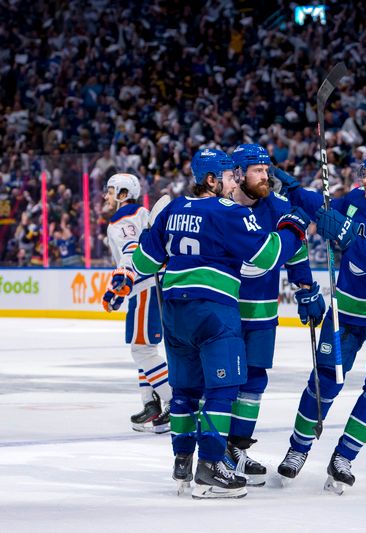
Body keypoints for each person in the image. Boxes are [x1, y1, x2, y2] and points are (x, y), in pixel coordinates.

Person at [131, 148, 311, 499]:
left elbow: (143, 261)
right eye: (229, 176)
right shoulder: (228, 211)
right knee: (222, 390)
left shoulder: (170, 208)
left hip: (174, 311)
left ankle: (182, 461)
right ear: (211, 180)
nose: (235, 182)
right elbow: (268, 255)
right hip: (214, 311)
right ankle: (211, 468)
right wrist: (292, 228)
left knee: (184, 391)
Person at [273, 149, 366, 493]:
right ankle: (298, 449)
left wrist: (349, 235)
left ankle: (344, 456)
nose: (364, 180)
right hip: (347, 310)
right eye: (364, 173)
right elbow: (324, 210)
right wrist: (295, 189)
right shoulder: (357, 199)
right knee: (325, 381)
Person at [223, 144, 325, 486]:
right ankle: (211, 451)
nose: (266, 176)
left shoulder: (279, 206)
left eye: (267, 170)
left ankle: (236, 448)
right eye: (257, 170)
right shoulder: (220, 208)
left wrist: (306, 287)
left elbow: (295, 250)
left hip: (262, 312)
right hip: (222, 309)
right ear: (237, 173)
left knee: (254, 381)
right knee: (221, 382)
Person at [101, 172, 171, 433]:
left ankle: (175, 403)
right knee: (145, 348)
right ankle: (150, 403)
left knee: (142, 350)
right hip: (149, 285)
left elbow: (131, 253)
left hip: (144, 287)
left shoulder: (122, 219)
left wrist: (118, 287)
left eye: (110, 191)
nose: (106, 196)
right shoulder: (141, 214)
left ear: (122, 194)